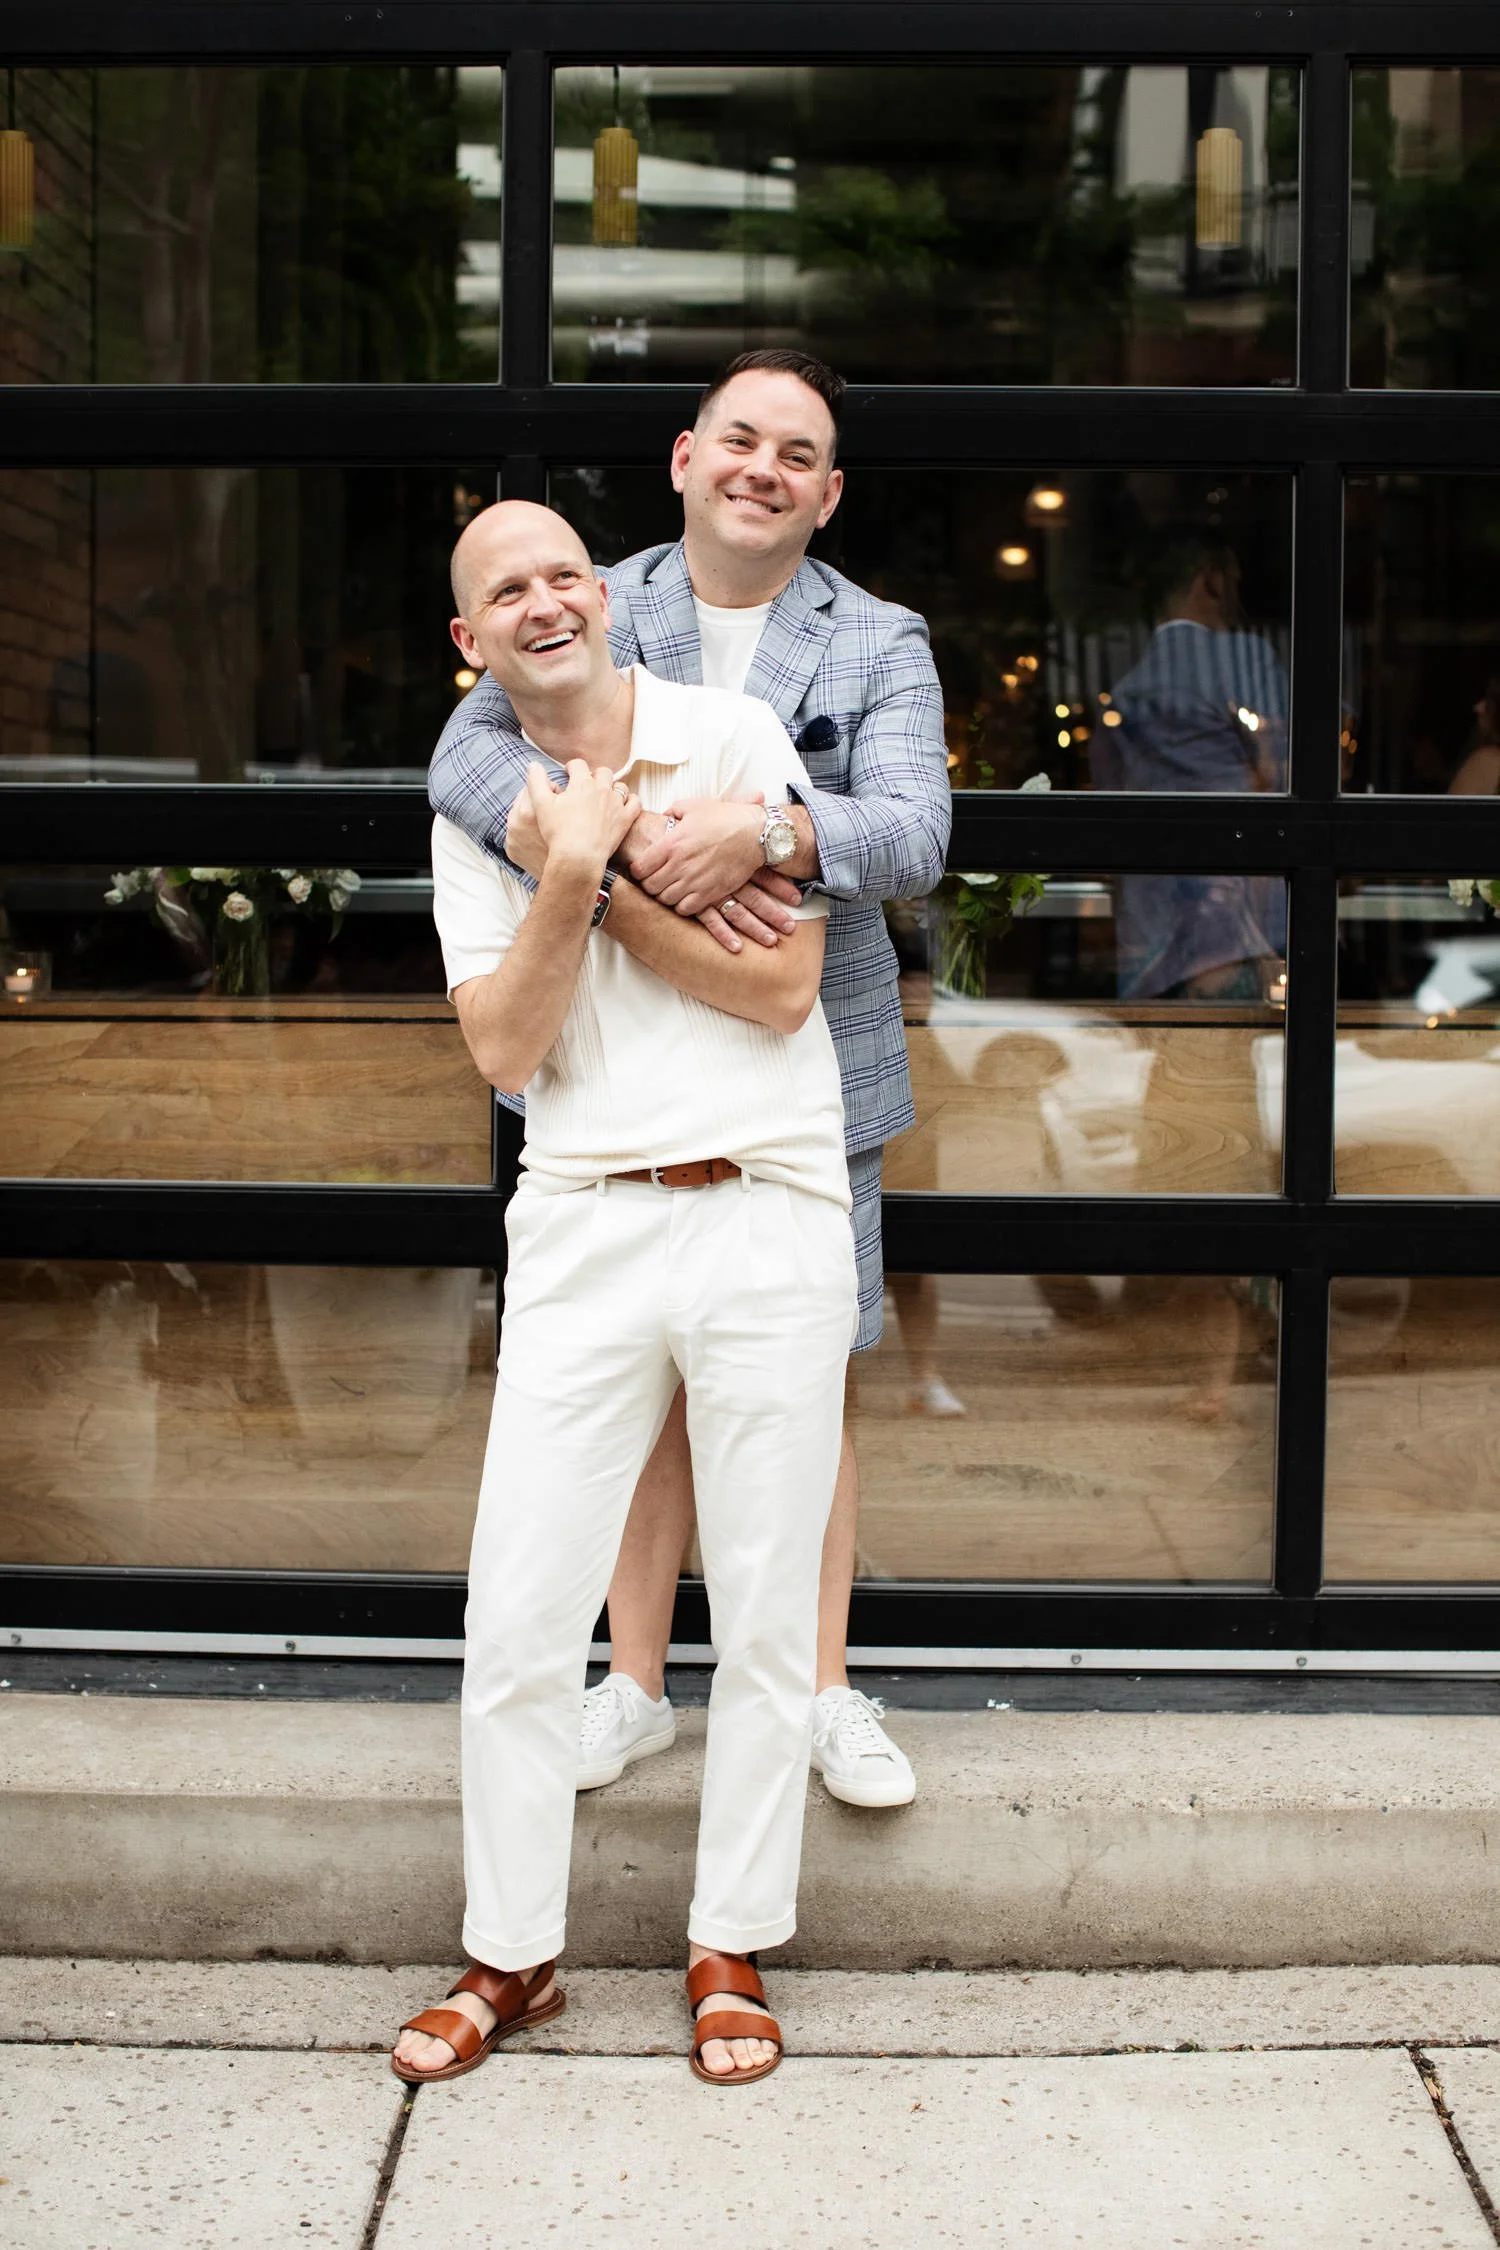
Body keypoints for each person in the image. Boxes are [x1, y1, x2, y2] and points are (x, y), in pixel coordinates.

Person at [428, 349, 951, 1808]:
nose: (761, 469)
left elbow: (915, 831)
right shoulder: (597, 593)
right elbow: (462, 761)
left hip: (803, 1063)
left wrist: (769, 833)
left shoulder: (879, 638)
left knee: (812, 1382)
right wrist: (627, 858)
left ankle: (824, 1689)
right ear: (684, 456)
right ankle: (640, 1684)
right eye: (739, 439)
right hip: (613, 1073)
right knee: (636, 1390)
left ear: (827, 494)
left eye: (798, 454)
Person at [393, 500, 858, 2090]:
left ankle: (731, 1940)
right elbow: (506, 1047)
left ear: (602, 594)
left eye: (561, 574)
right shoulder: (479, 812)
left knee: (769, 1608)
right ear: (470, 639)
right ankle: (513, 1952)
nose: (542, 602)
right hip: (584, 1220)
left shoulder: (729, 735)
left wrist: (594, 886)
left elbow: (781, 985)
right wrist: (570, 865)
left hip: (764, 1210)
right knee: (521, 1610)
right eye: (503, 589)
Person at [1089, 533, 1288, 1004]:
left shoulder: (1126, 689)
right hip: (1237, 929)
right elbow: (1280, 772)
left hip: (1151, 931)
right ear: (1211, 582)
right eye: (1234, 581)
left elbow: (1107, 796)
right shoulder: (1244, 659)